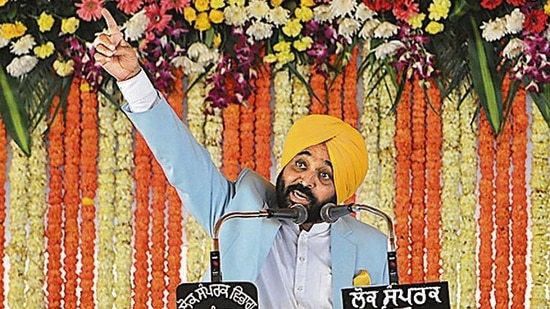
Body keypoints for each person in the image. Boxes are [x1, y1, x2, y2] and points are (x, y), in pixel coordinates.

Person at [94, 9, 388, 309]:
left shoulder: (372, 246)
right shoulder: (242, 208)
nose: (306, 180)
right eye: (301, 164)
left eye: (324, 175)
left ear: (341, 192)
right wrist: (133, 80)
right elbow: (183, 162)